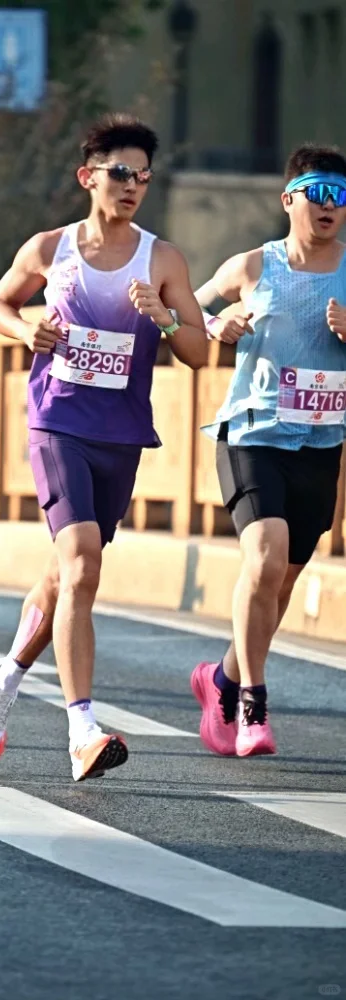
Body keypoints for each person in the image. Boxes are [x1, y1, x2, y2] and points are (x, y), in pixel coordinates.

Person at [0, 113, 207, 781]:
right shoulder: (50, 248)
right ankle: (82, 730)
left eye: (144, 178)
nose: (133, 187)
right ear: (88, 176)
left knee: (65, 573)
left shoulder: (163, 259)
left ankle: (3, 684)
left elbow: (198, 351)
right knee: (81, 563)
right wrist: (25, 332)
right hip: (57, 420)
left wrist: (163, 317)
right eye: (122, 173)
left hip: (121, 432)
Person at [191, 144, 346, 757]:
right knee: (265, 555)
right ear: (289, 199)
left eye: (341, 195)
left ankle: (221, 678)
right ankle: (253, 706)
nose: (331, 206)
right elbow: (186, 308)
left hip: (321, 441)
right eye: (319, 192)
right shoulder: (254, 265)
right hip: (252, 432)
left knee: (279, 582)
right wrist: (215, 324)